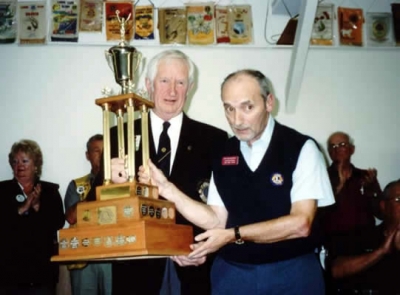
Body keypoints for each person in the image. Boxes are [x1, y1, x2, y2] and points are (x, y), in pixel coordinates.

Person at [134, 69, 335, 294]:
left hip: (291, 273)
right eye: (229, 108)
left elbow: (301, 224)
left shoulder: (301, 148)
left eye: (247, 107)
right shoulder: (223, 152)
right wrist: (167, 189)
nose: (236, 120)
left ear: (269, 102)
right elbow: (216, 220)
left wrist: (232, 235)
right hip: (232, 274)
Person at [97, 49, 228, 295]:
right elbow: (93, 210)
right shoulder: (119, 136)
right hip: (136, 269)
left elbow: (223, 213)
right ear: (148, 85)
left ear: (189, 88)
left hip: (194, 267)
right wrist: (111, 189)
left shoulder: (215, 140)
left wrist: (207, 251)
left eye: (180, 82)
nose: (172, 91)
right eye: (164, 81)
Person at [0, 139, 65, 294]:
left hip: (41, 273)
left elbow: (58, 223)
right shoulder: (2, 191)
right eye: (15, 162)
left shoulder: (50, 191)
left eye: (25, 161)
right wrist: (22, 209)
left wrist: (36, 207)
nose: (19, 165)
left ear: (36, 165)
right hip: (9, 275)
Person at [324, 179, 400, 294]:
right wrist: (381, 251)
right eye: (399, 199)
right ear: (384, 206)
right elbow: (335, 270)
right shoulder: (365, 235)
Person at [64, 134, 112, 295]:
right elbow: (71, 217)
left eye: (105, 151)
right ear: (88, 155)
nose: (102, 155)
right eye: (96, 151)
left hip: (112, 254)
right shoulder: (77, 185)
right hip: (83, 257)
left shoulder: (122, 183)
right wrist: (93, 196)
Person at [322, 131, 382, 235]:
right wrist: (339, 188)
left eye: (342, 145)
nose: (337, 149)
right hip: (334, 241)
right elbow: (319, 215)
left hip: (365, 240)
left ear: (352, 149)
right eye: (333, 146)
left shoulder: (366, 176)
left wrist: (371, 191)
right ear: (329, 152)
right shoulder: (322, 176)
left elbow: (381, 214)